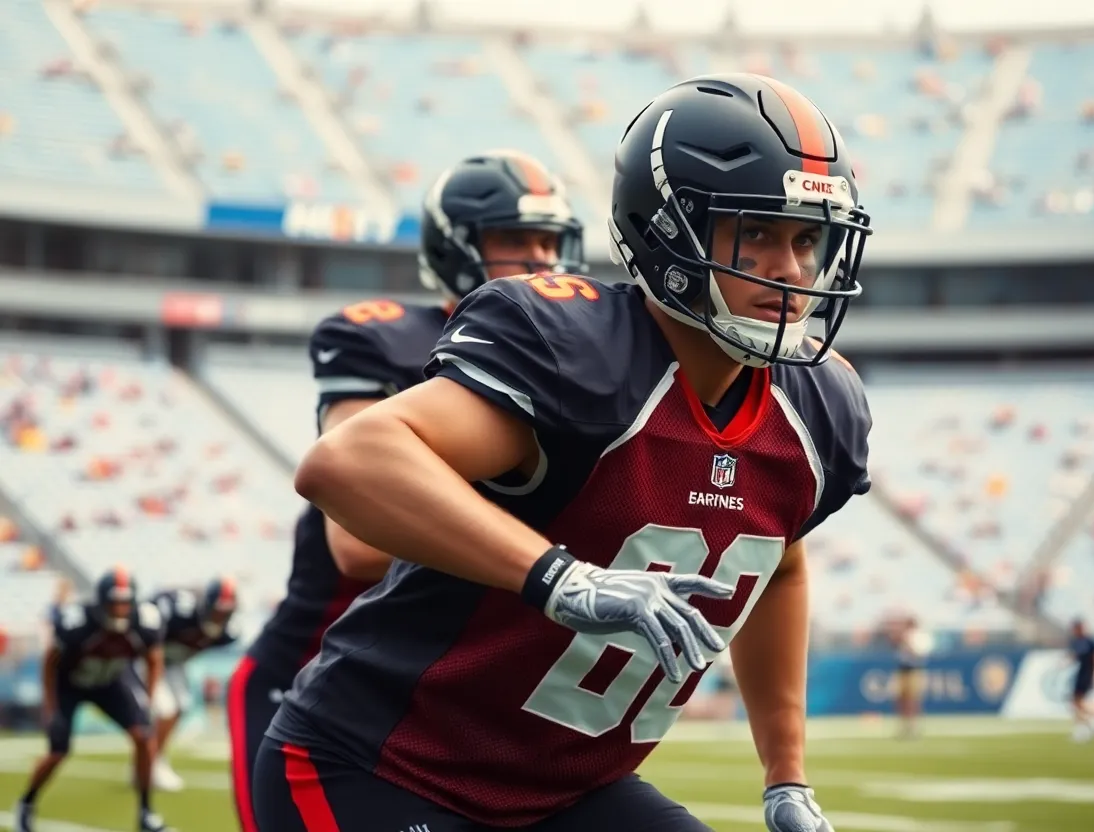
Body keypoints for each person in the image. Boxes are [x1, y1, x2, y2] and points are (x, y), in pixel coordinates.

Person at [254, 72, 873, 832]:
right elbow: (344, 461)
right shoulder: (583, 350)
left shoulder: (821, 406)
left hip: (565, 793)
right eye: (759, 234)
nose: (792, 273)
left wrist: (787, 779)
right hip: (385, 765)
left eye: (807, 239)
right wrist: (561, 579)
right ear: (670, 229)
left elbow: (780, 564)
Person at [226, 149, 585, 832]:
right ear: (454, 249)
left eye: (550, 240)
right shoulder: (384, 338)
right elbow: (358, 547)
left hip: (440, 681)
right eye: (515, 239)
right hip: (317, 669)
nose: (541, 259)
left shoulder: (575, 356)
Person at [15, 567, 173, 832]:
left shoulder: (143, 621)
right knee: (57, 752)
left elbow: (154, 657)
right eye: (115, 602)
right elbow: (50, 662)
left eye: (125, 602)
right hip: (71, 684)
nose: (120, 609)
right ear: (102, 601)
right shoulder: (78, 622)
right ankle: (26, 803)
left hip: (111, 680)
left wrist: (149, 696)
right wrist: (51, 706)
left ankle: (146, 812)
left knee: (145, 736)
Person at [130, 577, 239, 791]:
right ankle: (149, 764)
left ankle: (150, 760)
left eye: (225, 612)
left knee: (181, 705)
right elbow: (147, 620)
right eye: (217, 610)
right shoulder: (178, 611)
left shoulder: (228, 632)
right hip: (150, 659)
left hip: (174, 664)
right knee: (165, 709)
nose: (220, 617)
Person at [893, 615, 931, 738]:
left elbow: (920, 654)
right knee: (901, 699)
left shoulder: (918, 637)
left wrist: (908, 643)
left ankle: (913, 726)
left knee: (913, 700)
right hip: (902, 670)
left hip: (914, 670)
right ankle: (904, 725)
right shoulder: (903, 636)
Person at [1068, 618, 1094, 742]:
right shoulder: (1076, 642)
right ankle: (1088, 724)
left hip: (1087, 674)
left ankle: (1091, 723)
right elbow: (1074, 657)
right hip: (1080, 673)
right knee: (1075, 702)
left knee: (1078, 702)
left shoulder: (1091, 642)